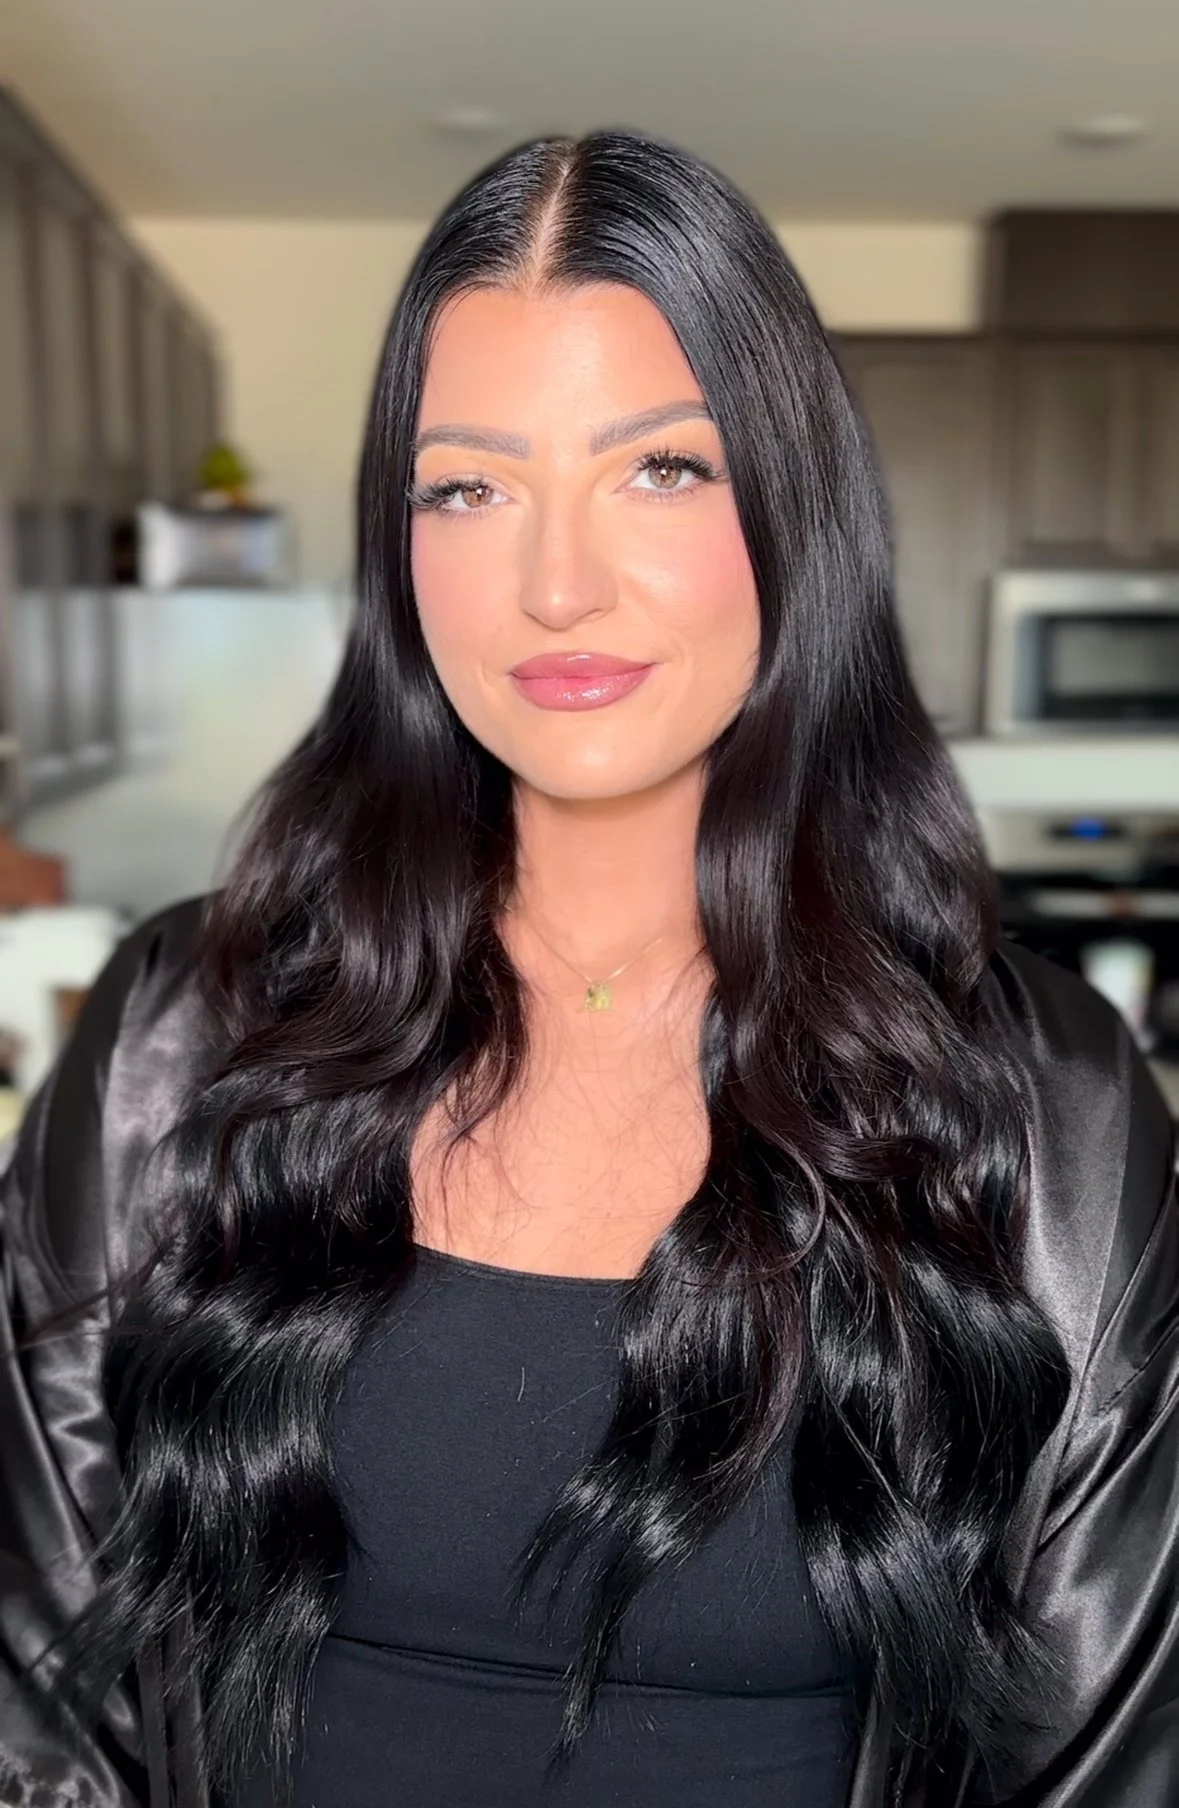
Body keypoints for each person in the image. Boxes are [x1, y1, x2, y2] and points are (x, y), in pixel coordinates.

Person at [0, 128, 1175, 1808]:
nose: (553, 584)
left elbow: (1109, 1758)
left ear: (792, 511)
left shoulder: (1045, 1113)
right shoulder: (176, 1044)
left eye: (660, 472)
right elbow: (40, 1700)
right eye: (467, 487)